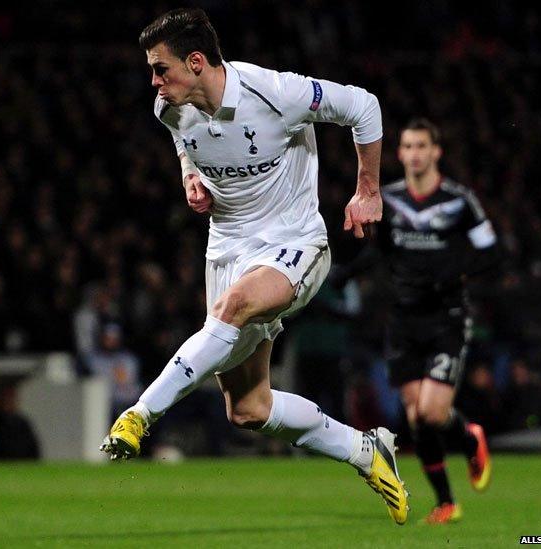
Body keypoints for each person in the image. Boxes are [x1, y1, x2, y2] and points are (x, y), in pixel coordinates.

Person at [99, 8, 409, 525]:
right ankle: (366, 451)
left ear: (196, 62)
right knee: (248, 409)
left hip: (296, 242)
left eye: (160, 68)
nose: (153, 81)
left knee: (234, 306)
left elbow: (364, 105)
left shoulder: (275, 93)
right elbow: (184, 143)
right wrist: (190, 175)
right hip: (227, 249)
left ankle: (139, 414)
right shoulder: (168, 109)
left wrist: (369, 189)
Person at [377, 119, 498, 523]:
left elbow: (490, 251)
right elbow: (379, 251)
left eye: (421, 146)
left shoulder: (459, 200)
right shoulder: (389, 199)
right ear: (400, 153)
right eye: (407, 146)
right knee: (416, 418)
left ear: (435, 152)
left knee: (429, 412)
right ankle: (447, 501)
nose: (413, 153)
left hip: (445, 317)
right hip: (403, 319)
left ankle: (468, 436)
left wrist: (456, 273)